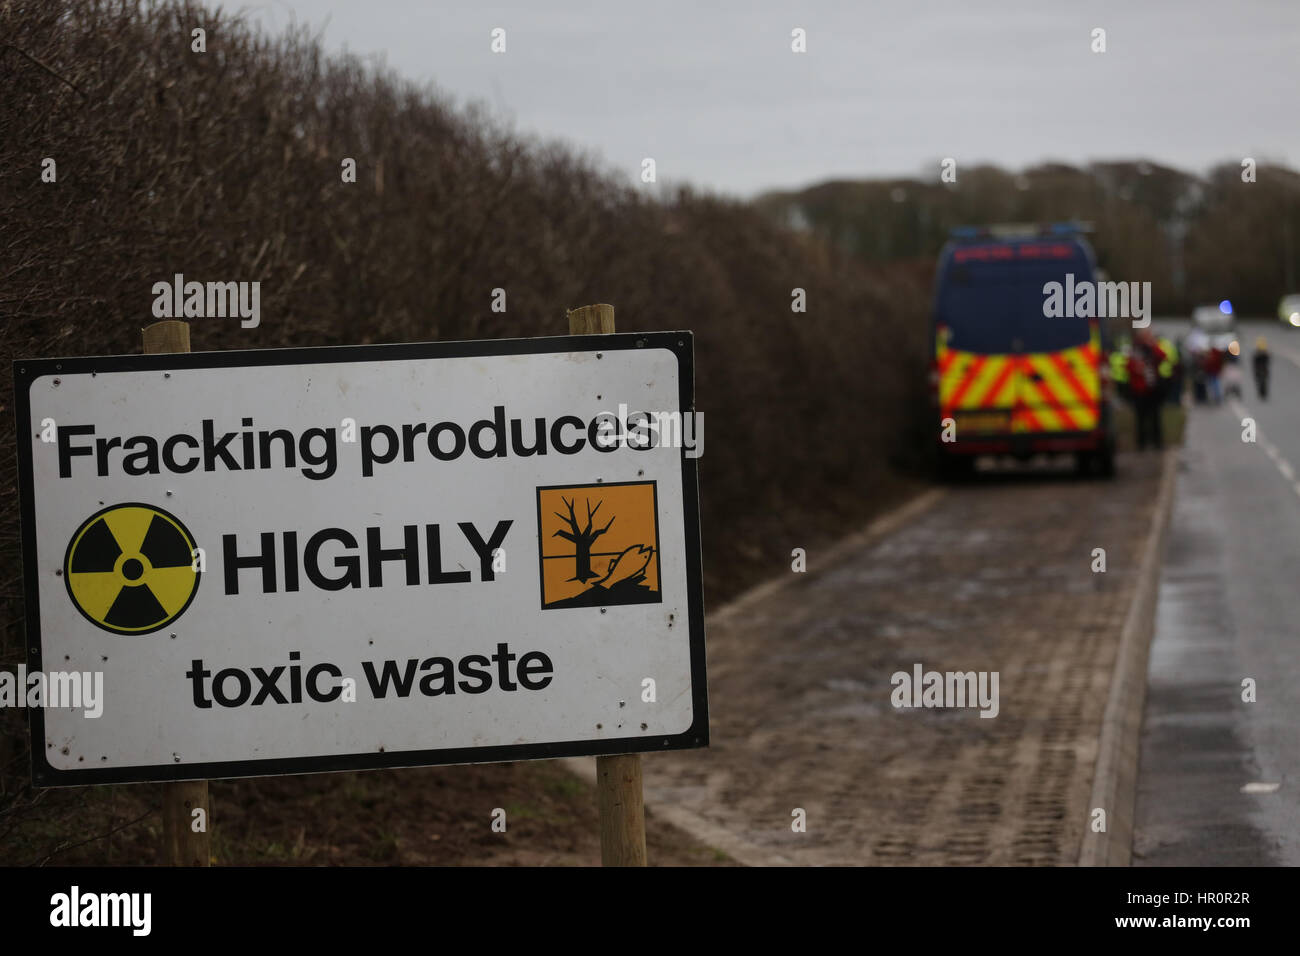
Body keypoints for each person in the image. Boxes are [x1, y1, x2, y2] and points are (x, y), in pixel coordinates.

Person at [1128, 331, 1168, 450]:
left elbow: (1163, 356)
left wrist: (1153, 345)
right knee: (1140, 419)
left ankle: (1157, 443)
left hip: (1153, 390)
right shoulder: (1135, 351)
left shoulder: (1153, 349)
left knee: (1155, 418)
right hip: (1140, 391)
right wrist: (1137, 369)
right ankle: (1142, 444)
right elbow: (1129, 366)